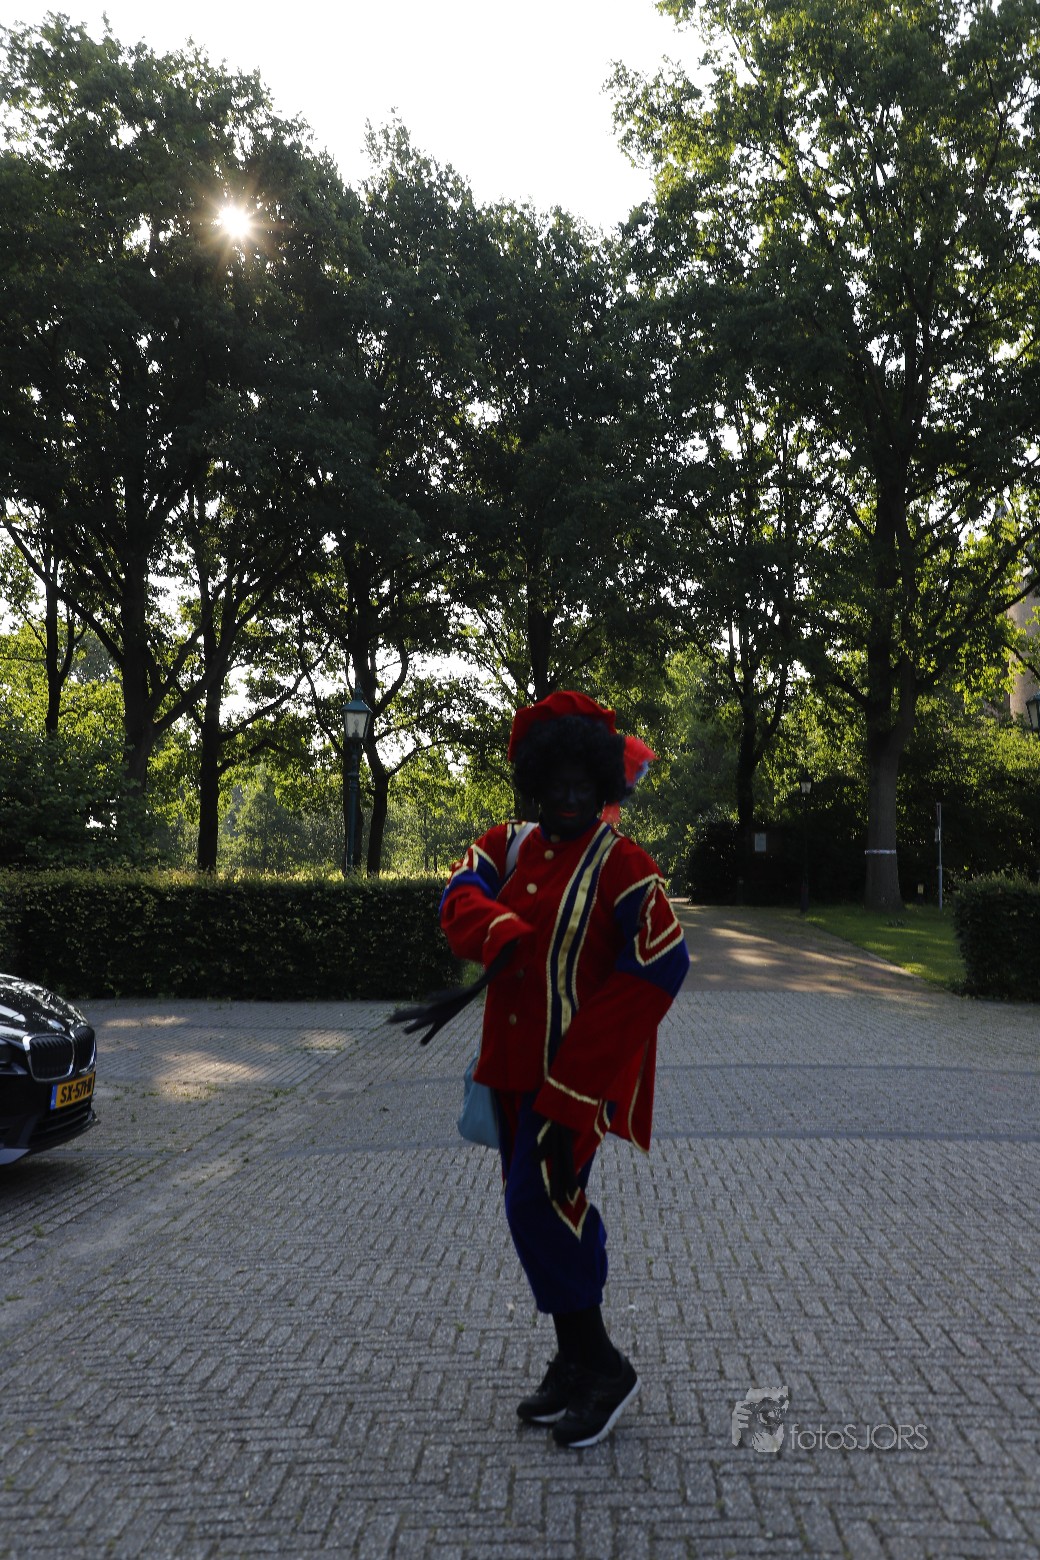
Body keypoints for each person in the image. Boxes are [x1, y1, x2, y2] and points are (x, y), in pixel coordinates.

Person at [438, 690, 690, 1448]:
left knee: (538, 1204)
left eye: (586, 782)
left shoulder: (626, 865)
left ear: (603, 782)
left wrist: (579, 1085)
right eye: (558, 781)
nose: (572, 795)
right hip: (510, 1072)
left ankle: (603, 1364)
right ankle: (573, 1359)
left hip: (574, 1081)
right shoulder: (505, 845)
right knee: (540, 1209)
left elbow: (662, 964)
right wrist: (498, 925)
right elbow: (457, 898)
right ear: (536, 782)